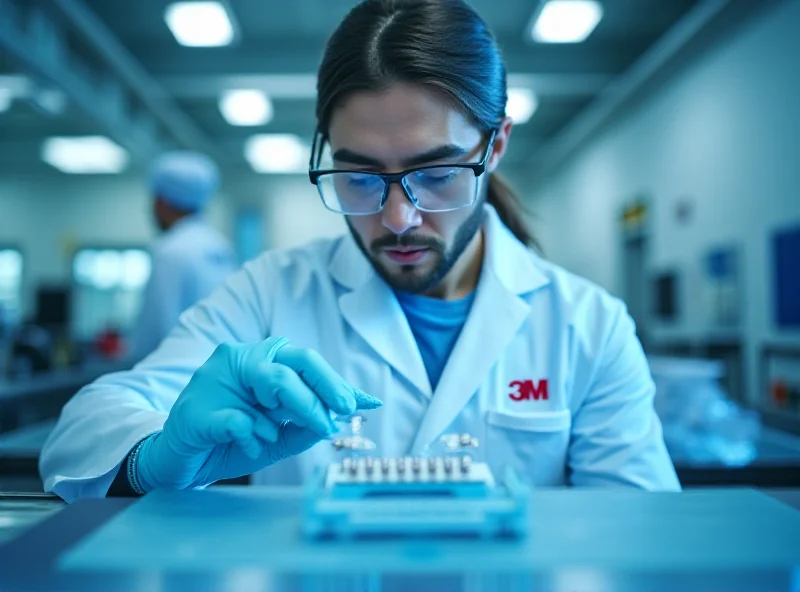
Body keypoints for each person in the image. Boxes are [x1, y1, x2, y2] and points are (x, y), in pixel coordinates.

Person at [40, 0, 679, 502]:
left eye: (436, 173)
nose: (398, 219)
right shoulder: (269, 294)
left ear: (497, 147)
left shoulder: (587, 325)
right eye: (361, 176)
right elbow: (79, 435)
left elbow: (642, 542)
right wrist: (153, 459)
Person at [129, 151, 237, 361]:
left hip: (173, 380)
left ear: (162, 202)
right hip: (218, 372)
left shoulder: (171, 251)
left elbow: (155, 331)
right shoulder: (221, 247)